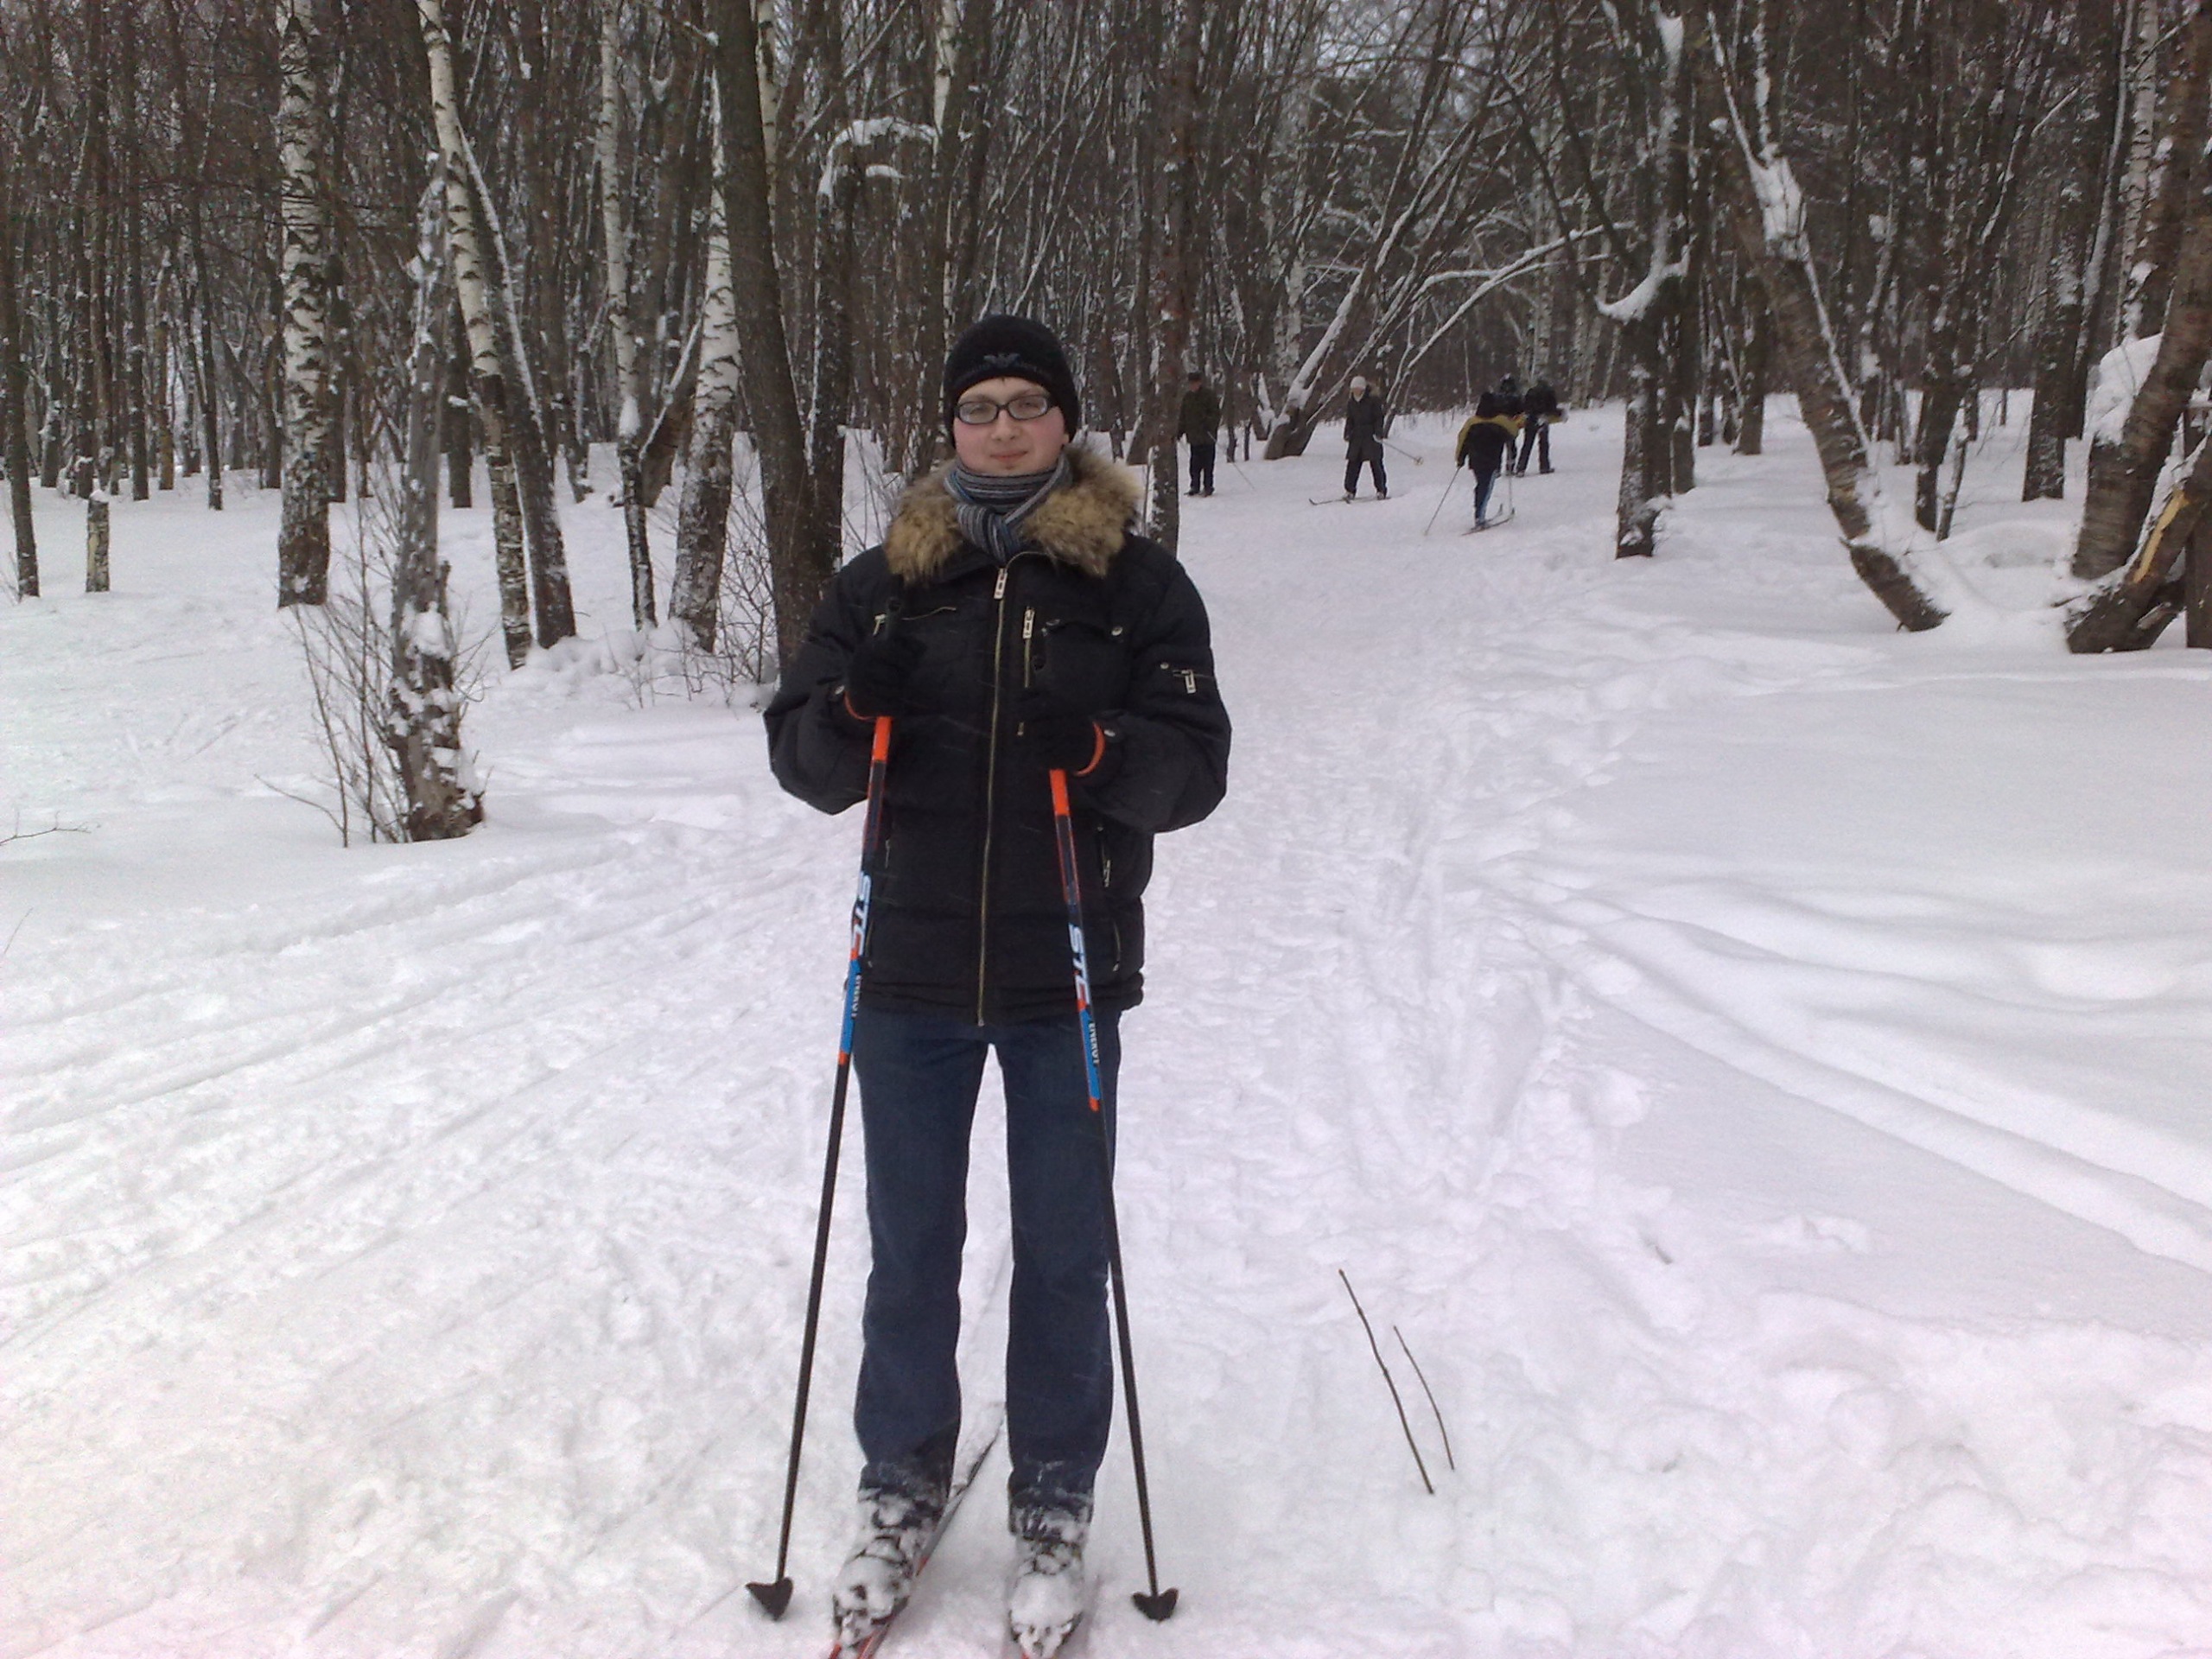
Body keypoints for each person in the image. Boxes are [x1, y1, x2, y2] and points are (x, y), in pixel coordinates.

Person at [763, 314, 1231, 1656]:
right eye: (981, 406)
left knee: (1066, 1252)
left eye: (1029, 404)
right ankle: (900, 1485)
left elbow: (1195, 770)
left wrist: (1101, 748)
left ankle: (1055, 1498)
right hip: (908, 973)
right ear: (951, 426)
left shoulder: (1137, 587)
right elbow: (804, 762)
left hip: (1065, 970)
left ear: (1066, 421)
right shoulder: (883, 586)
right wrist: (852, 710)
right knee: (910, 1247)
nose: (1006, 426)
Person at [1456, 382, 1523, 528]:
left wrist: (1460, 458)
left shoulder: (1472, 422)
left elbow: (1462, 439)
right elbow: (1513, 433)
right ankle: (1479, 517)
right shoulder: (1500, 420)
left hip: (1475, 460)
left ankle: (1478, 512)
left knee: (1481, 485)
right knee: (1486, 488)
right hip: (1492, 460)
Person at [1342, 375, 1388, 499]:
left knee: (1376, 464)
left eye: (1357, 389)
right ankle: (1350, 490)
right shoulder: (1351, 402)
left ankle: (1381, 490)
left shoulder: (1373, 400)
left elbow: (1379, 418)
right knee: (1353, 465)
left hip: (1371, 437)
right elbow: (1350, 419)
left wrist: (1378, 432)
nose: (1355, 391)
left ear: (1363, 389)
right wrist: (1347, 432)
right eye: (1353, 389)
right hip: (1356, 438)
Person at [1178, 369, 1220, 496]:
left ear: (1200, 382)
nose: (1192, 386)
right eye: (1190, 383)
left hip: (1207, 436)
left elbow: (1216, 414)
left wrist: (1208, 423)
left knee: (1208, 464)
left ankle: (1208, 487)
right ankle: (1194, 486)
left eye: (1194, 383)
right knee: (1194, 465)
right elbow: (1183, 416)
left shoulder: (1209, 395)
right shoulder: (1187, 397)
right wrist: (1180, 431)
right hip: (1194, 437)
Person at [1516, 375, 1560, 475]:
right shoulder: (1549, 392)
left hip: (1530, 419)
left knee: (1527, 444)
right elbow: (1552, 408)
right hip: (1542, 419)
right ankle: (1544, 466)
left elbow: (1524, 406)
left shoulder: (1531, 391)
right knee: (1543, 444)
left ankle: (1521, 468)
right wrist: (1557, 413)